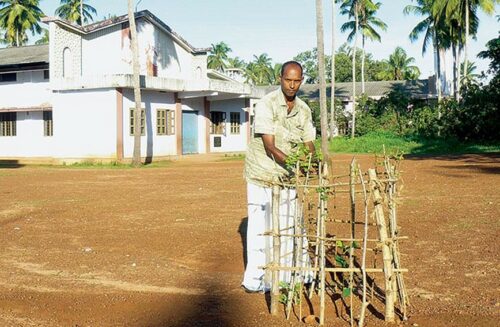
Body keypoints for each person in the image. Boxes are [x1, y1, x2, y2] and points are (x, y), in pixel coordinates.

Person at [242, 61, 316, 293]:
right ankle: (256, 280)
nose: (292, 85)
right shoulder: (267, 104)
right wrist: (298, 164)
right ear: (280, 78)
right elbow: (270, 147)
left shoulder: (303, 109)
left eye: (297, 80)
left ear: (301, 80)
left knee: (292, 223)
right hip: (262, 173)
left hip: (287, 175)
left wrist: (312, 161)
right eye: (288, 80)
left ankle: (296, 275)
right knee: (260, 227)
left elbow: (309, 142)